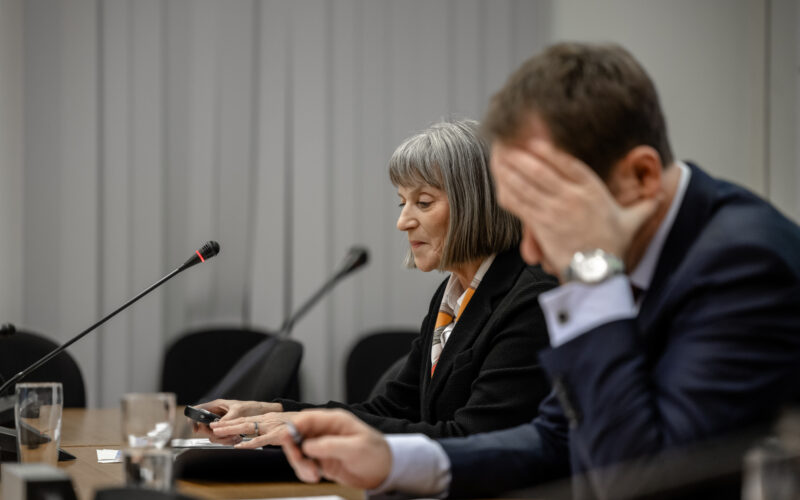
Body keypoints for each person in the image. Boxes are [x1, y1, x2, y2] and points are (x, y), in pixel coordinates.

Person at [277, 42, 800, 498]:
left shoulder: (742, 263)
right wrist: (394, 461)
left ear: (639, 177)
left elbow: (642, 483)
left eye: (545, 216)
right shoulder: (631, 254)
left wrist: (592, 272)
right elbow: (556, 436)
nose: (527, 251)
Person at [196, 119, 558, 447]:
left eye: (424, 202)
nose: (403, 222)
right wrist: (270, 410)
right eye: (402, 202)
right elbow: (396, 408)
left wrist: (304, 423)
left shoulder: (530, 298)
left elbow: (474, 438)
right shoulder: (454, 294)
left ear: (475, 203)